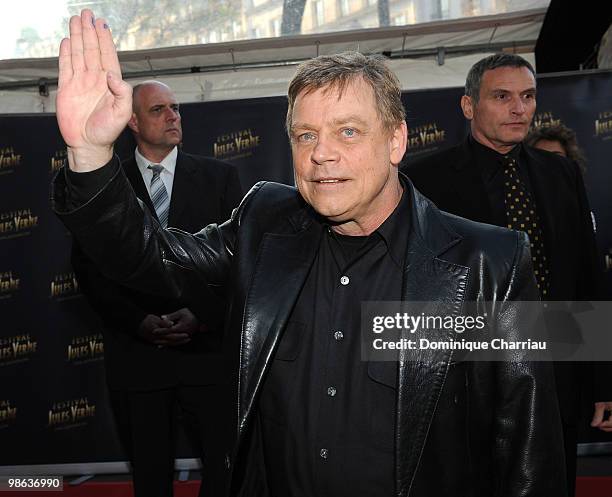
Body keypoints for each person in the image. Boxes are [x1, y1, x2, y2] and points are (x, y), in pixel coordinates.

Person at [52, 11, 566, 496]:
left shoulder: (488, 265)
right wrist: (91, 153)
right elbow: (147, 257)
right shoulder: (263, 225)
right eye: (306, 135)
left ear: (396, 140)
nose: (322, 153)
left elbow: (527, 446)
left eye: (348, 130)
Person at [404, 53, 612, 497]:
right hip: (467, 373)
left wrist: (602, 382)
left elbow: (587, 276)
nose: (519, 109)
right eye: (502, 97)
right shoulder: (426, 181)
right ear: (468, 106)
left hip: (558, 369)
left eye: (527, 96)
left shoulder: (561, 173)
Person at [71, 79, 243, 497]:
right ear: (131, 121)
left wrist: (201, 316)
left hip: (208, 358)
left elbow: (242, 262)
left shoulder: (220, 177)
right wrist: (139, 322)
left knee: (227, 475)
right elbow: (89, 268)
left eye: (176, 107)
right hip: (138, 360)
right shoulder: (104, 184)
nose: (173, 116)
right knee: (149, 479)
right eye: (158, 109)